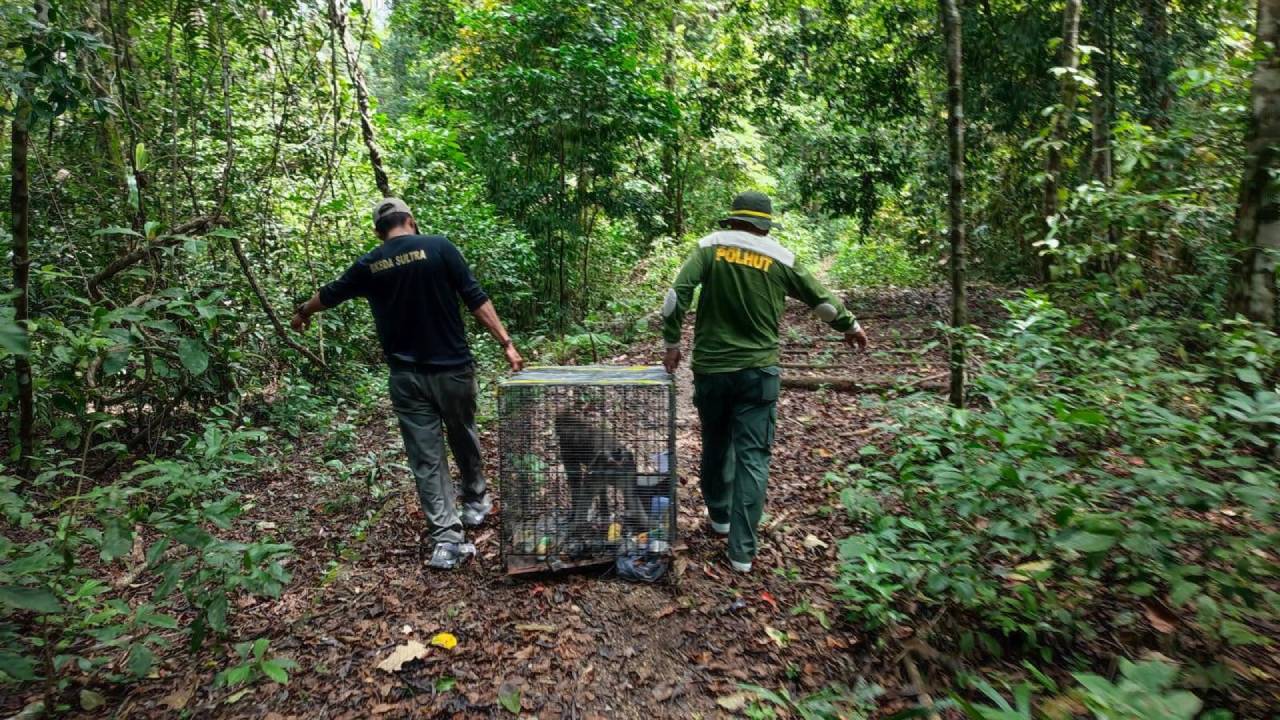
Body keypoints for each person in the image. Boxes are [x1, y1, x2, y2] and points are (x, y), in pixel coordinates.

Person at [292, 198, 524, 570]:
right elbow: (476, 299)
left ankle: (447, 542)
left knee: (426, 457)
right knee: (463, 431)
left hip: (406, 378)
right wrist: (507, 344)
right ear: (411, 221)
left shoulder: (370, 263)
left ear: (377, 232)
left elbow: (329, 294)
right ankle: (476, 501)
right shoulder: (439, 247)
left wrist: (302, 312)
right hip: (453, 370)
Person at [661, 191, 867, 573]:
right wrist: (849, 325)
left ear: (733, 219)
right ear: (764, 223)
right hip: (758, 374)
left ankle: (719, 517)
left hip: (712, 370)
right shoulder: (780, 256)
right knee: (753, 458)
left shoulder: (709, 248)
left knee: (716, 441)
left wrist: (671, 344)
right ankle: (741, 553)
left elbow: (677, 295)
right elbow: (820, 301)